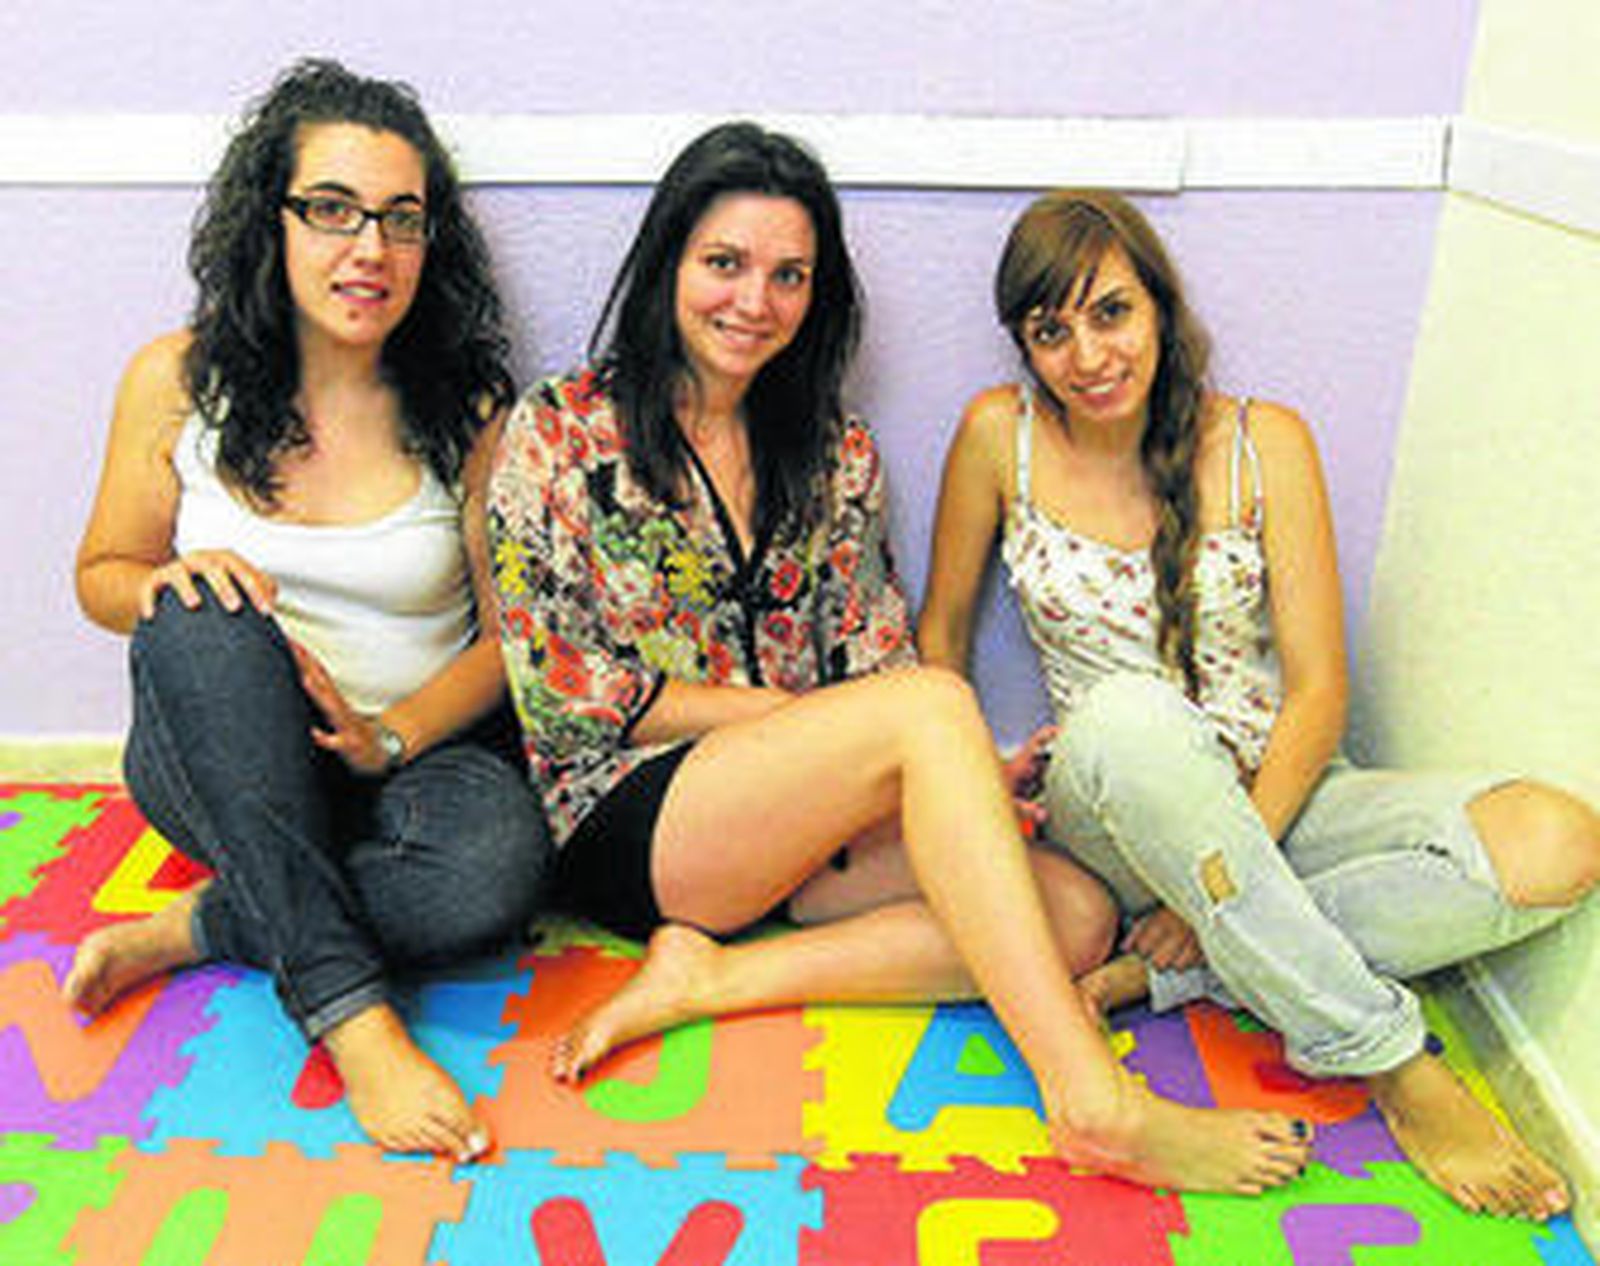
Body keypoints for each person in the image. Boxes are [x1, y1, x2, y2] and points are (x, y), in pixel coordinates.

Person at [488, 122, 1316, 1196]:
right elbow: (561, 692)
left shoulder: (835, 454)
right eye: (724, 263)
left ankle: (711, 978)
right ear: (668, 267)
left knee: (1073, 914)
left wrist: (969, 772)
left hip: (792, 821)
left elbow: (877, 664)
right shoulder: (560, 430)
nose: (754, 300)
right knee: (931, 708)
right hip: (628, 816)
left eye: (789, 275)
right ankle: (1091, 1100)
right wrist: (818, 728)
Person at [918, 188, 1600, 1220]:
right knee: (1135, 715)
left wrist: (1229, 871)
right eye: (1050, 332)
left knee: (1556, 843)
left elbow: (1320, 690)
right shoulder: (994, 436)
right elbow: (940, 639)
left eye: (1111, 313)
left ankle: (1182, 972)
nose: (1087, 356)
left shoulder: (1263, 440)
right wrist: (974, 791)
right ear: (1025, 346)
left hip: (1279, 796)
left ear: (1159, 306)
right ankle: (1388, 1055)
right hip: (1109, 805)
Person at [69, 59, 551, 1162]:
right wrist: (164, 586)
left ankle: (207, 922)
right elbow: (102, 572)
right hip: (221, 753)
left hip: (414, 764)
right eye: (332, 210)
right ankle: (352, 1017)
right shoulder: (176, 381)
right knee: (201, 611)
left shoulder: (473, 406)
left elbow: (509, 642)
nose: (370, 248)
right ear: (271, 221)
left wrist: (391, 738)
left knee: (496, 871)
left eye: (400, 219)